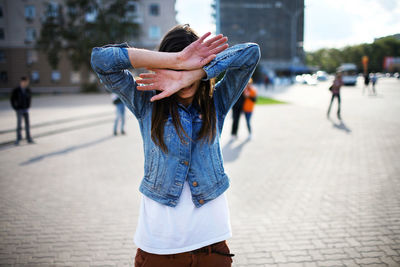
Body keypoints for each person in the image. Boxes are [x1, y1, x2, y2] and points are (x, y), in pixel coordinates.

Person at [91, 24, 260, 267]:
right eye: (177, 66)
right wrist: (178, 59)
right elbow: (101, 60)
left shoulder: (216, 103)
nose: (184, 70)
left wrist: (193, 73)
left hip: (211, 247)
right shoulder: (145, 101)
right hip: (159, 249)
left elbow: (250, 53)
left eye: (195, 63)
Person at [10, 76, 34, 145]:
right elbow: (12, 99)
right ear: (22, 82)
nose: (26, 83)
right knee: (19, 125)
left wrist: (28, 106)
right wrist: (15, 108)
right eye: (25, 82)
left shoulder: (28, 90)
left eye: (27, 82)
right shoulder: (16, 90)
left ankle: (28, 138)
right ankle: (18, 138)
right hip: (19, 110)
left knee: (27, 125)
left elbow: (30, 98)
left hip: (26, 110)